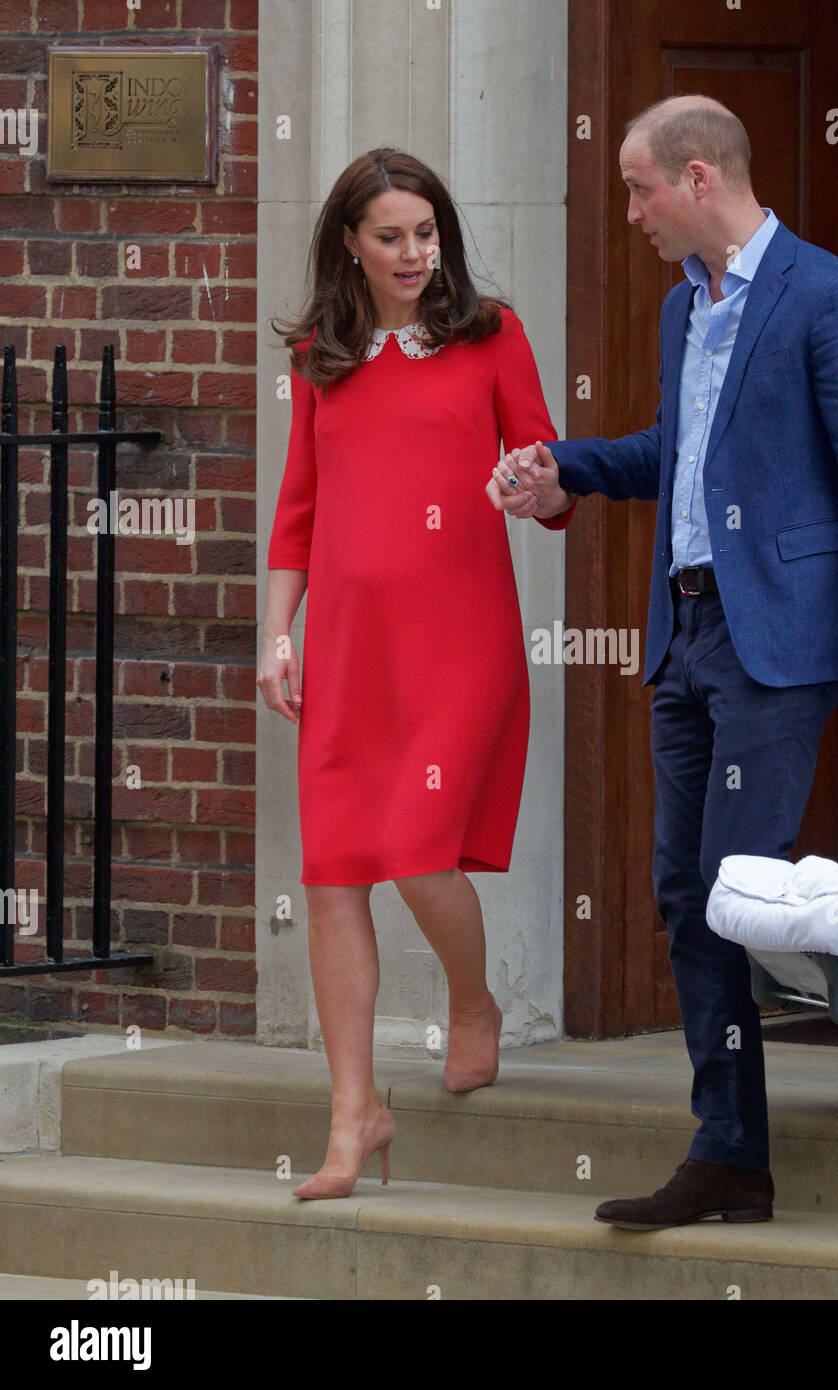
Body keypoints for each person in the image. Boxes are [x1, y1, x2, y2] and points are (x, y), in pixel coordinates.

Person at [487, 95, 838, 1229]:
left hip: (778, 638)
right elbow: (674, 455)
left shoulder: (826, 298)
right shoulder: (684, 313)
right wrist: (568, 471)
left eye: (639, 188)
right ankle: (740, 1145)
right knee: (690, 891)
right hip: (683, 631)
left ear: (698, 178)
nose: (629, 210)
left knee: (739, 884)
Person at [259, 148, 572, 1200]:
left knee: (417, 849)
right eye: (389, 235)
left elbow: (547, 469)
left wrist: (532, 484)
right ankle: (354, 1117)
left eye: (425, 233)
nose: (411, 252)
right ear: (350, 241)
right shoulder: (321, 354)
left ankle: (472, 1001)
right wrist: (277, 633)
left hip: (460, 637)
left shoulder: (491, 335)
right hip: (348, 645)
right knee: (336, 867)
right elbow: (298, 507)